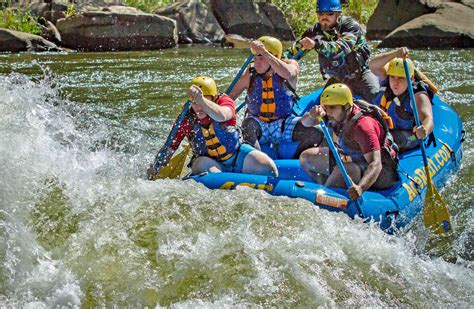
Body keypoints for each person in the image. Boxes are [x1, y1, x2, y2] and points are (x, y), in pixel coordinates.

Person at [148, 76, 278, 178]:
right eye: (195, 102)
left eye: (204, 101)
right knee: (214, 175)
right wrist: (156, 168)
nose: (198, 107)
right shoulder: (186, 117)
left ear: (214, 99)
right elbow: (170, 148)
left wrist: (201, 100)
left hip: (236, 154)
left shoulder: (224, 102)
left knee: (268, 167)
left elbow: (222, 116)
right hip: (207, 161)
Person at [229, 36, 324, 159]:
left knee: (315, 133)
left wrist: (265, 52)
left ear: (273, 57)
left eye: (261, 57)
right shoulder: (250, 73)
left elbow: (288, 73)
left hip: (284, 123)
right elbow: (230, 97)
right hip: (258, 123)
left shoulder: (290, 65)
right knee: (247, 125)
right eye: (255, 56)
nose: (257, 61)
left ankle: (295, 162)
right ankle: (257, 162)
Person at [299, 83, 399, 200]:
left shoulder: (363, 126)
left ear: (347, 107)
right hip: (349, 159)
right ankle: (328, 187)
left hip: (379, 174)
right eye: (326, 107)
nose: (328, 111)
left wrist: (360, 188)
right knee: (306, 158)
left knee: (346, 169)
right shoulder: (334, 114)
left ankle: (326, 197)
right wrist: (311, 115)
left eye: (332, 107)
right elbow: (305, 123)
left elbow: (376, 164)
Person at [298, 0, 378, 102]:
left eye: (330, 14)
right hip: (338, 80)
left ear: (338, 14)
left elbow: (341, 48)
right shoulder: (314, 32)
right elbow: (295, 51)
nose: (324, 17)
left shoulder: (351, 26)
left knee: (375, 98)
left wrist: (317, 44)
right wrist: (278, 58)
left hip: (361, 76)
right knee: (323, 105)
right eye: (321, 13)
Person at [369, 47, 435, 152]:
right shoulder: (387, 81)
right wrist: (395, 53)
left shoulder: (417, 95)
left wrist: (424, 129)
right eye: (393, 77)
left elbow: (428, 119)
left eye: (401, 78)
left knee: (394, 141)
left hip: (409, 136)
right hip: (387, 130)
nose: (395, 82)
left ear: (411, 78)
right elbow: (372, 65)